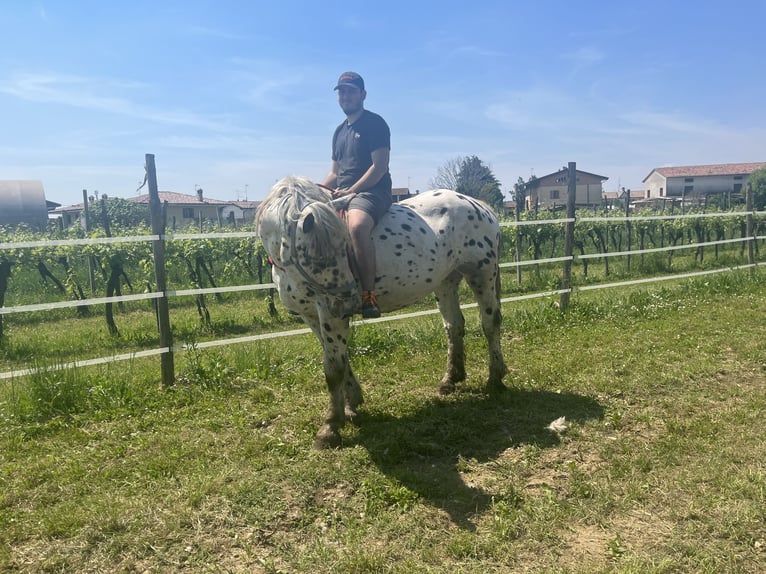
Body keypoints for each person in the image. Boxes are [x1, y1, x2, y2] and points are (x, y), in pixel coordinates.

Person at [322, 72, 392, 319]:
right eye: (342, 91)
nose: (346, 96)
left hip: (373, 191)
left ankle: (369, 296)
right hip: (342, 193)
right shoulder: (339, 132)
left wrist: (352, 191)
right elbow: (334, 173)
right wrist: (317, 193)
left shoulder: (375, 123)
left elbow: (379, 167)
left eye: (351, 91)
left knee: (358, 226)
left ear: (363, 95)